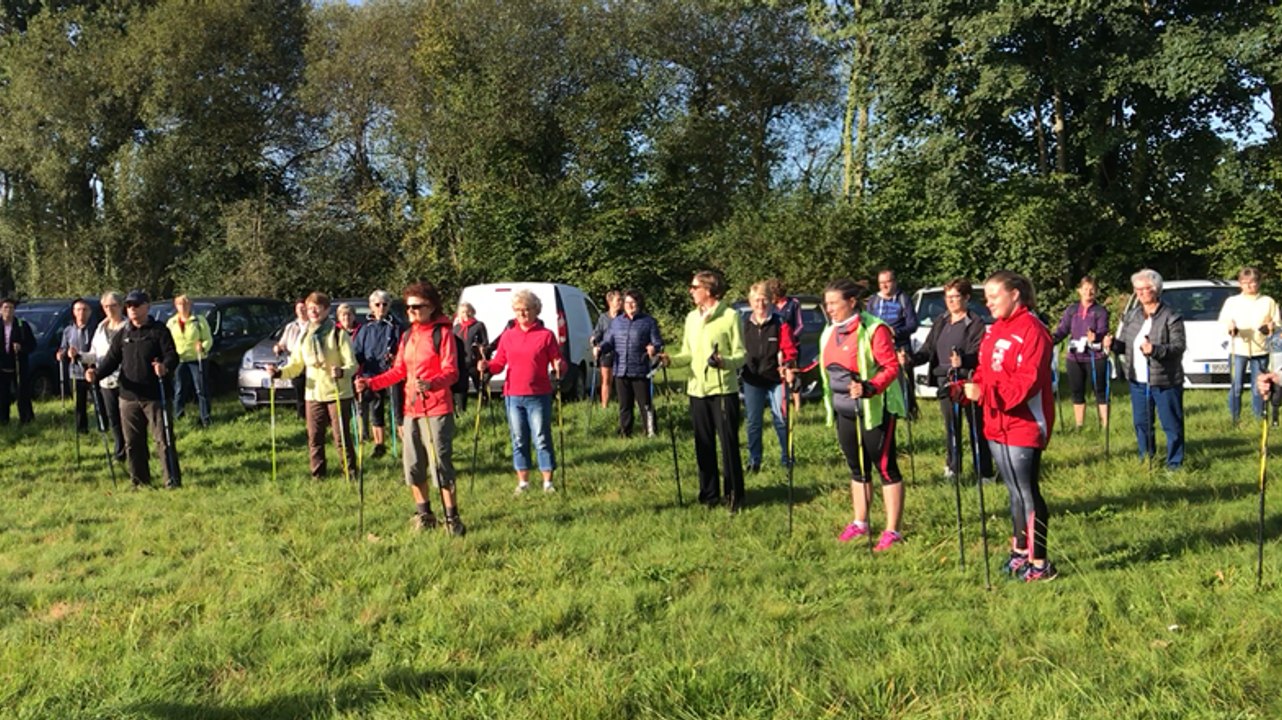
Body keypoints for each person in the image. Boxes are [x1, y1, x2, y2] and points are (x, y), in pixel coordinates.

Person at [963, 271, 1057, 581]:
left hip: (1024, 423)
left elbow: (1026, 383)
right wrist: (970, 386)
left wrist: (986, 393)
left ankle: (1040, 563)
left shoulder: (1034, 331)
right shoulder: (994, 330)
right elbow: (985, 369)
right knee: (1013, 492)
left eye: (993, 296)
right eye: (986, 297)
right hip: (996, 421)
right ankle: (1020, 551)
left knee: (1027, 492)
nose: (987, 303)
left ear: (1014, 294)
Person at [356, 282, 465, 535]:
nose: (412, 311)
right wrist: (370, 382)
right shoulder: (408, 335)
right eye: (408, 307)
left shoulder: (443, 333)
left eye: (417, 306)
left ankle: (452, 520)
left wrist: (432, 382)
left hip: (437, 409)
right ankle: (424, 515)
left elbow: (451, 372)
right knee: (413, 467)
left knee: (440, 466)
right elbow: (398, 371)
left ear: (431, 307)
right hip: (411, 410)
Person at [822, 278, 907, 551]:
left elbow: (891, 366)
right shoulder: (829, 331)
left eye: (834, 303)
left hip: (875, 408)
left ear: (851, 302)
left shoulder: (873, 328)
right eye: (827, 304)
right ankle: (861, 522)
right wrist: (798, 376)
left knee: (884, 467)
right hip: (844, 408)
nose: (829, 309)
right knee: (856, 467)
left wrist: (870, 387)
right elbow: (825, 367)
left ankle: (893, 529)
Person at [658, 271, 747, 511]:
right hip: (697, 390)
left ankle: (733, 496)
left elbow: (741, 355)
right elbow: (687, 353)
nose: (691, 290)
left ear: (708, 289)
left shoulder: (730, 316)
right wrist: (669, 361)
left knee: (728, 444)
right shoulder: (691, 318)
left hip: (722, 389)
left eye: (694, 286)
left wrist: (724, 361)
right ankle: (708, 495)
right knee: (703, 444)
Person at [84, 291, 180, 489]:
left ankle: (171, 480)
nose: (132, 309)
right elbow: (111, 360)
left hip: (155, 396)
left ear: (147, 306)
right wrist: (96, 375)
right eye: (129, 306)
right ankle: (139, 481)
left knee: (164, 440)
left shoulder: (159, 330)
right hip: (128, 396)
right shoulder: (124, 333)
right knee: (133, 443)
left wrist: (164, 367)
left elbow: (172, 356)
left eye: (136, 305)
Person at [902, 278, 992, 481]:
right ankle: (953, 468)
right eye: (948, 296)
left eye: (955, 296)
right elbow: (927, 350)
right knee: (951, 427)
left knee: (975, 427)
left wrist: (963, 360)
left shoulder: (975, 322)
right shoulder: (941, 321)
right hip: (945, 381)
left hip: (967, 381)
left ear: (966, 298)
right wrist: (910, 360)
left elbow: (978, 354)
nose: (950, 301)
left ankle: (984, 472)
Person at [479, 289, 565, 494]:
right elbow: (499, 363)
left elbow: (557, 360)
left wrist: (560, 366)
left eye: (526, 310)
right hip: (513, 394)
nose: (522, 314)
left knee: (541, 437)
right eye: (518, 311)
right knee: (518, 438)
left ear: (536, 310)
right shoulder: (508, 336)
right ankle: (523, 482)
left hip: (539, 394)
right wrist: (487, 366)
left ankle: (548, 482)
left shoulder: (546, 335)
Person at [267, 292, 358, 479]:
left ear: (326, 310)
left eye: (318, 307)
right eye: (310, 308)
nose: (313, 311)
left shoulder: (338, 333)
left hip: (337, 393)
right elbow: (296, 365)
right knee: (314, 438)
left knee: (341, 438)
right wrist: (279, 373)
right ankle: (318, 475)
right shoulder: (304, 336)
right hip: (313, 394)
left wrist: (341, 371)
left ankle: (351, 474)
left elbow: (352, 364)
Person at [1105, 269, 1187, 471]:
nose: (1140, 293)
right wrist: (1112, 344)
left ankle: (1174, 463)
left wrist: (1156, 350)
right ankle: (1146, 459)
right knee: (1141, 423)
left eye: (1144, 289)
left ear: (1156, 290)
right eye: (1136, 289)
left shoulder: (1171, 316)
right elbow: (1125, 345)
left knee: (1171, 424)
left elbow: (1178, 347)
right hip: (1138, 380)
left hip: (1164, 380)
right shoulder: (1133, 316)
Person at [740, 281, 797, 472]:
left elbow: (789, 349)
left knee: (781, 420)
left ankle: (787, 459)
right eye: (756, 300)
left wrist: (787, 365)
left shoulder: (780, 322)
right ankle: (754, 460)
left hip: (776, 378)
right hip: (752, 379)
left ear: (770, 300)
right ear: (750, 302)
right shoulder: (744, 324)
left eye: (764, 300)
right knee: (754, 422)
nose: (760, 304)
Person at [596, 289, 664, 438]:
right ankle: (625, 433)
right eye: (627, 302)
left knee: (645, 404)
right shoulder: (617, 322)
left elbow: (658, 342)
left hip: (640, 369)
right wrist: (600, 348)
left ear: (639, 304)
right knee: (624, 405)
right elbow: (609, 341)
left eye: (633, 302)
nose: (629, 305)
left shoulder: (648, 322)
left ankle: (651, 432)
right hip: (621, 369)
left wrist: (654, 348)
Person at [1219, 267, 1279, 424]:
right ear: (1240, 284)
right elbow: (1223, 321)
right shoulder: (1232, 302)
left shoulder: (1268, 301)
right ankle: (1234, 419)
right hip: (1238, 349)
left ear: (1259, 283)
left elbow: (1277, 324)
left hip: (1261, 349)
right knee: (1236, 386)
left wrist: (1271, 326)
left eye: (1252, 283)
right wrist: (1230, 327)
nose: (1248, 286)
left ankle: (1259, 418)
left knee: (1258, 387)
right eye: (1244, 283)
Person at [1051, 276, 1111, 431]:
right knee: (1077, 391)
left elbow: (1103, 330)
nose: (1088, 292)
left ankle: (1105, 425)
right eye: (1085, 289)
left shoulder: (1100, 311)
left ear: (1096, 292)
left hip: (1095, 355)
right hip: (1075, 356)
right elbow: (1063, 329)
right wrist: (1051, 340)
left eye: (1092, 289)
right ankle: (1079, 425)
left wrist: (1096, 337)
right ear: (1079, 291)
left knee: (1100, 390)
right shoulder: (1072, 310)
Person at [353, 290, 403, 458]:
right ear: (371, 307)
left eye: (385, 304)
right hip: (371, 373)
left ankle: (407, 445)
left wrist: (395, 357)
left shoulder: (396, 326)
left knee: (398, 409)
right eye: (377, 304)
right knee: (376, 408)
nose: (381, 307)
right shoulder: (365, 328)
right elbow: (357, 352)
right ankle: (379, 445)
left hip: (392, 372)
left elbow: (404, 350)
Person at [866, 268, 919, 419]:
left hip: (900, 345)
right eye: (881, 283)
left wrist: (895, 332)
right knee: (882, 377)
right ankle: (886, 410)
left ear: (894, 282)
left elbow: (913, 324)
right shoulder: (873, 301)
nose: (884, 286)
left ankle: (909, 411)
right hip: (879, 346)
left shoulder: (903, 299)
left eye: (887, 282)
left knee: (904, 380)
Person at [85, 291, 128, 461]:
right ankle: (120, 451)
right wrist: (78, 356)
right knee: (113, 418)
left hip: (126, 378)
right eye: (105, 306)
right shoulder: (100, 328)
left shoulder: (128, 326)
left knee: (128, 417)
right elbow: (94, 355)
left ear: (120, 306)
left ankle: (132, 449)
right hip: (106, 381)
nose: (109, 309)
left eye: (113, 306)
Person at [165, 294, 213, 427]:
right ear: (176, 306)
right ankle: (178, 417)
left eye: (186, 303)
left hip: (197, 359)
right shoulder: (171, 322)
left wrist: (202, 347)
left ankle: (205, 418)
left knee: (201, 389)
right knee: (179, 389)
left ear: (190, 304)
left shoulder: (198, 320)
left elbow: (208, 338)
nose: (183, 306)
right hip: (179, 359)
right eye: (180, 304)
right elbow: (167, 341)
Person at [56, 299, 95, 434]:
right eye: (78, 310)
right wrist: (62, 353)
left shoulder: (95, 329)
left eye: (85, 310)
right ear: (73, 312)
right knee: (79, 404)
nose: (81, 313)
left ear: (90, 312)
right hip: (75, 372)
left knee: (99, 401)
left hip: (93, 371)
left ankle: (104, 426)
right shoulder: (68, 330)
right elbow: (63, 348)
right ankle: (81, 429)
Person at [0, 297, 36, 425]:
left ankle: (26, 419)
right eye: (5, 308)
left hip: (19, 365)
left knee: (22, 393)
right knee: (2, 395)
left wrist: (21, 347)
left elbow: (32, 345)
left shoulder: (22, 325)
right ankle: (3, 420)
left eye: (11, 308)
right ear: (0, 310)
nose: (8, 311)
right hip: (2, 365)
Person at [274, 300, 310, 420]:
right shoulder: (291, 327)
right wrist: (278, 347)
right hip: (294, 364)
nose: (301, 310)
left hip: (309, 365)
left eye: (303, 308)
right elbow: (282, 343)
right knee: (299, 392)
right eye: (298, 308)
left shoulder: (313, 325)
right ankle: (301, 416)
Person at [453, 302, 488, 412]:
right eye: (463, 312)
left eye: (468, 311)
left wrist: (481, 349)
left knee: (479, 384)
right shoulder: (456, 328)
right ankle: (461, 410)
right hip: (460, 362)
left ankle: (484, 406)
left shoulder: (478, 325)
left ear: (472, 312)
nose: (466, 314)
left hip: (474, 361)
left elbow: (485, 342)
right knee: (461, 387)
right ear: (459, 314)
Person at [592, 290, 623, 409]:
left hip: (621, 351)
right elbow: (597, 333)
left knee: (621, 380)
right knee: (606, 379)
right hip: (606, 352)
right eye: (618, 300)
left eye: (621, 300)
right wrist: (594, 340)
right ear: (610, 302)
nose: (620, 302)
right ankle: (605, 405)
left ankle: (623, 404)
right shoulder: (603, 318)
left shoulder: (624, 316)